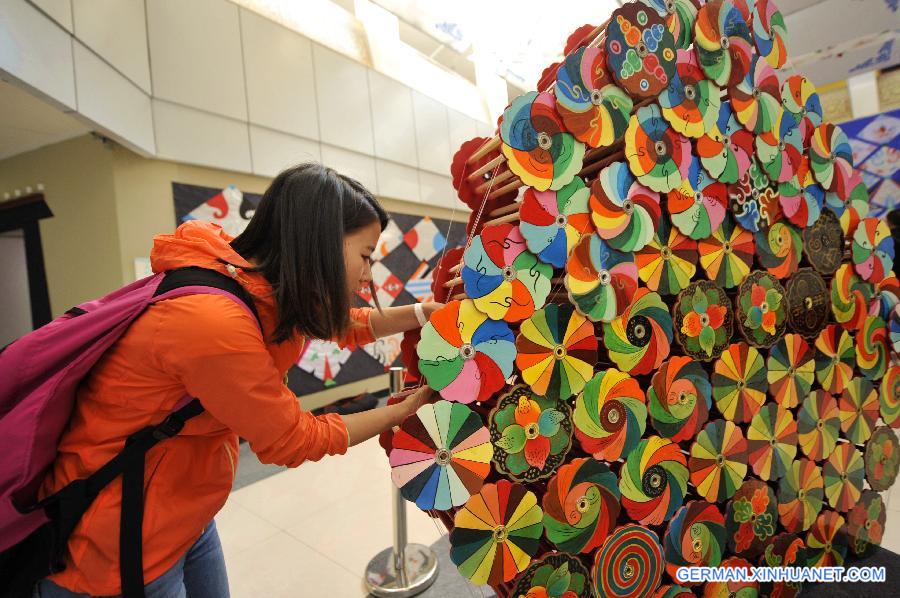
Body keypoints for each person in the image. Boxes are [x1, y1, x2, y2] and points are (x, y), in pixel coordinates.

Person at [34, 163, 440, 597]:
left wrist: (421, 313)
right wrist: (405, 410)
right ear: (319, 243)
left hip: (183, 512)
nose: (367, 274)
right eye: (364, 256)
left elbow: (342, 324)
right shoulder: (213, 321)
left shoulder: (250, 281)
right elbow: (293, 438)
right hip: (121, 543)